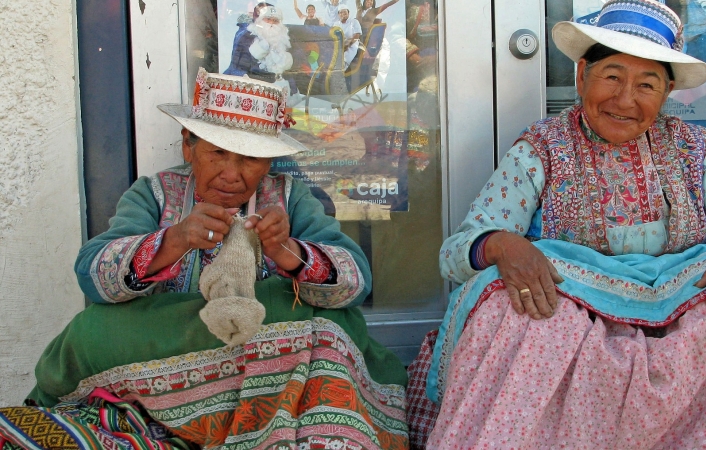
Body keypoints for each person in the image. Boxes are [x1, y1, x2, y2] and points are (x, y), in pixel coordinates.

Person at [409, 0, 706, 448]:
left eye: (647, 84)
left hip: (681, 321)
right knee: (508, 306)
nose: (625, 99)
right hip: (571, 319)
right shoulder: (542, 148)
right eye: (612, 76)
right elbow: (457, 252)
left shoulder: (695, 151)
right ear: (582, 76)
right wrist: (503, 245)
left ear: (668, 92)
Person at [0, 69, 409, 449]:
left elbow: (355, 281)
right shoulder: (154, 193)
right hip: (166, 349)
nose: (232, 174)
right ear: (187, 146)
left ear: (269, 161)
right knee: (93, 327)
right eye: (217, 153)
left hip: (264, 355)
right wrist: (174, 241)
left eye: (249, 158)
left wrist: (288, 252)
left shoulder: (289, 197)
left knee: (333, 322)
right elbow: (92, 273)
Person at [223, 3, 293, 83]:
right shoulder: (247, 35)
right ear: (260, 20)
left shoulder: (283, 39)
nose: (271, 24)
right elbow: (239, 67)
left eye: (275, 21)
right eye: (268, 19)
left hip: (273, 85)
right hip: (248, 83)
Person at [334, 4, 362, 68]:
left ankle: (340, 74)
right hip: (339, 46)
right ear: (338, 14)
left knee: (343, 61)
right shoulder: (336, 24)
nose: (343, 14)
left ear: (348, 13)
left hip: (351, 45)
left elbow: (357, 36)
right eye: (341, 12)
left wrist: (347, 45)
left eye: (345, 12)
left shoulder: (354, 21)